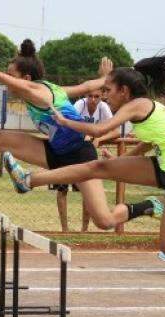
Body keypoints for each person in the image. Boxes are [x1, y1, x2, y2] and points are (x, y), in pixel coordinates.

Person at [3, 55, 165, 262]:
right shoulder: (141, 107)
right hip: (164, 166)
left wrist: (63, 120)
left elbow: (97, 130)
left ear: (124, 91)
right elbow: (149, 141)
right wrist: (123, 160)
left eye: (108, 90)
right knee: (97, 167)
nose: (104, 96)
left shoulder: (136, 105)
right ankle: (28, 179)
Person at [0, 34, 161, 231]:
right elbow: (85, 86)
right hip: (52, 151)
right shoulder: (51, 88)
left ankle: (147, 205)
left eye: (12, 75)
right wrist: (104, 77)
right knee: (0, 137)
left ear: (26, 78)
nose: (7, 81)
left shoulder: (37, 93)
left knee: (104, 221)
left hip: (80, 156)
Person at [52, 89, 119, 232]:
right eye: (90, 96)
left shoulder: (103, 108)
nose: (93, 100)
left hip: (85, 152)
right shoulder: (78, 105)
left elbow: (116, 131)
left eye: (97, 97)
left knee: (87, 192)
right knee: (62, 189)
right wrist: (86, 134)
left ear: (102, 97)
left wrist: (98, 138)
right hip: (68, 148)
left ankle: (84, 229)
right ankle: (65, 229)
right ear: (85, 96)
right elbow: (67, 124)